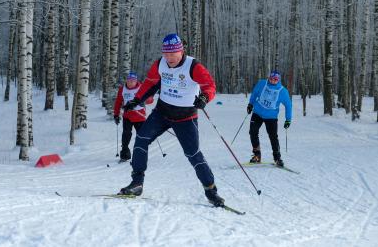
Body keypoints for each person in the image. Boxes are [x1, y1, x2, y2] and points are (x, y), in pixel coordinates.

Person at [117, 33, 225, 207]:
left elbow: (209, 85)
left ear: (181, 51)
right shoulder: (160, 64)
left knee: (193, 154)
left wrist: (205, 97)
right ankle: (137, 183)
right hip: (162, 113)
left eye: (173, 54)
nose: (169, 58)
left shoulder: (193, 66)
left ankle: (211, 190)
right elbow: (150, 83)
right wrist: (137, 100)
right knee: (141, 140)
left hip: (185, 117)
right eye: (166, 54)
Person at [246, 70, 292, 167]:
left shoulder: (283, 91)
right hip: (258, 113)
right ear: (269, 77)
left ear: (278, 80)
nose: (273, 81)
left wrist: (288, 119)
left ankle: (277, 158)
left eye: (275, 79)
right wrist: (250, 104)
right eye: (271, 78)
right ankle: (257, 155)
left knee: (273, 137)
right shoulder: (262, 84)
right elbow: (254, 94)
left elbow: (288, 105)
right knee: (253, 132)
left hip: (271, 117)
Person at [113, 72, 153, 162]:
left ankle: (140, 155)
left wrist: (145, 101)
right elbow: (118, 102)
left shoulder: (141, 87)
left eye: (133, 81)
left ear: (136, 81)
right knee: (126, 136)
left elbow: (150, 99)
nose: (130, 83)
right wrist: (116, 114)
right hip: (127, 116)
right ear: (126, 80)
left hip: (140, 117)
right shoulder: (122, 89)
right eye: (129, 81)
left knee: (141, 136)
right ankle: (124, 155)